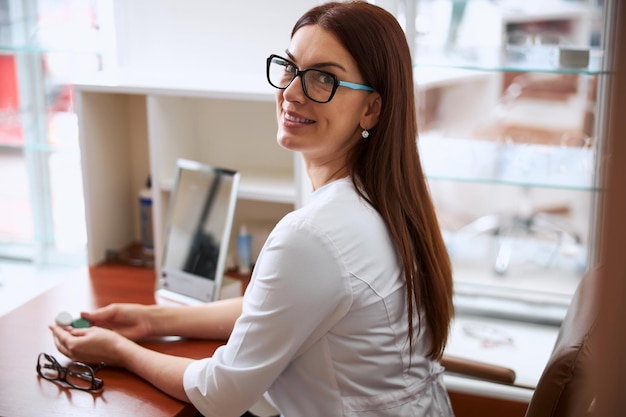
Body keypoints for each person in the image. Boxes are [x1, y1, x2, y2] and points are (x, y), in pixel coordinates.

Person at [50, 2, 455, 416]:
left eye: (323, 79)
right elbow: (279, 307)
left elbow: (220, 394)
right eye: (290, 68)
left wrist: (121, 352)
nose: (291, 92)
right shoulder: (388, 199)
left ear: (371, 108)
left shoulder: (315, 235)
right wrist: (154, 321)